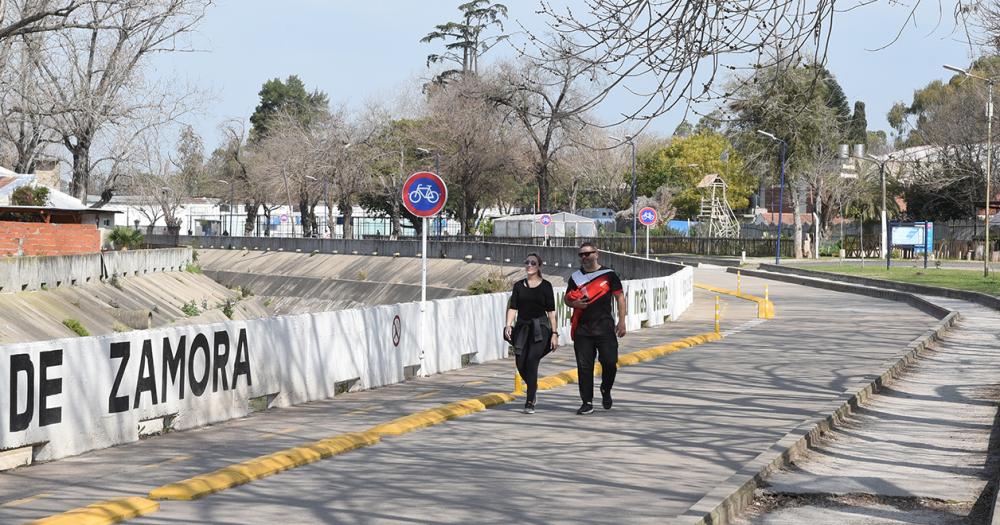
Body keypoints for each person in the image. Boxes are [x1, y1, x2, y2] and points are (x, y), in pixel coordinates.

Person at [564, 242, 626, 415]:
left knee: (609, 362)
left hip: (605, 328)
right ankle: (587, 402)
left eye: (588, 254)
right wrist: (573, 303)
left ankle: (606, 389)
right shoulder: (575, 277)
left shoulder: (609, 275)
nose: (584, 258)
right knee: (584, 367)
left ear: (596, 254)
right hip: (582, 330)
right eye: (581, 255)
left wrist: (622, 322)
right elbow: (566, 299)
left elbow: (620, 297)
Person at [504, 253, 558, 414]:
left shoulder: (546, 286)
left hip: (540, 328)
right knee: (521, 364)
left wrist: (554, 333)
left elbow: (551, 312)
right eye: (527, 262)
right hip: (522, 328)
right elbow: (513, 307)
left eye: (533, 263)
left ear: (539, 266)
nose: (529, 265)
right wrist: (508, 325)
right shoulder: (519, 286)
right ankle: (532, 388)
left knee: (532, 361)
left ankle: (530, 400)